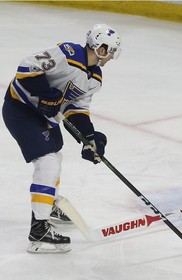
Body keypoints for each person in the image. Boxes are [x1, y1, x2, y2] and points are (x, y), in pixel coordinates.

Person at [2, 24, 121, 253]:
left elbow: (77, 109)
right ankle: (39, 233)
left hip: (45, 115)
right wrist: (47, 94)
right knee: (48, 162)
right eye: (110, 50)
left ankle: (48, 204)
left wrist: (90, 136)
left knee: (56, 155)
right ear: (100, 47)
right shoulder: (68, 53)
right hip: (21, 109)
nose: (112, 56)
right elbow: (26, 67)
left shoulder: (95, 77)